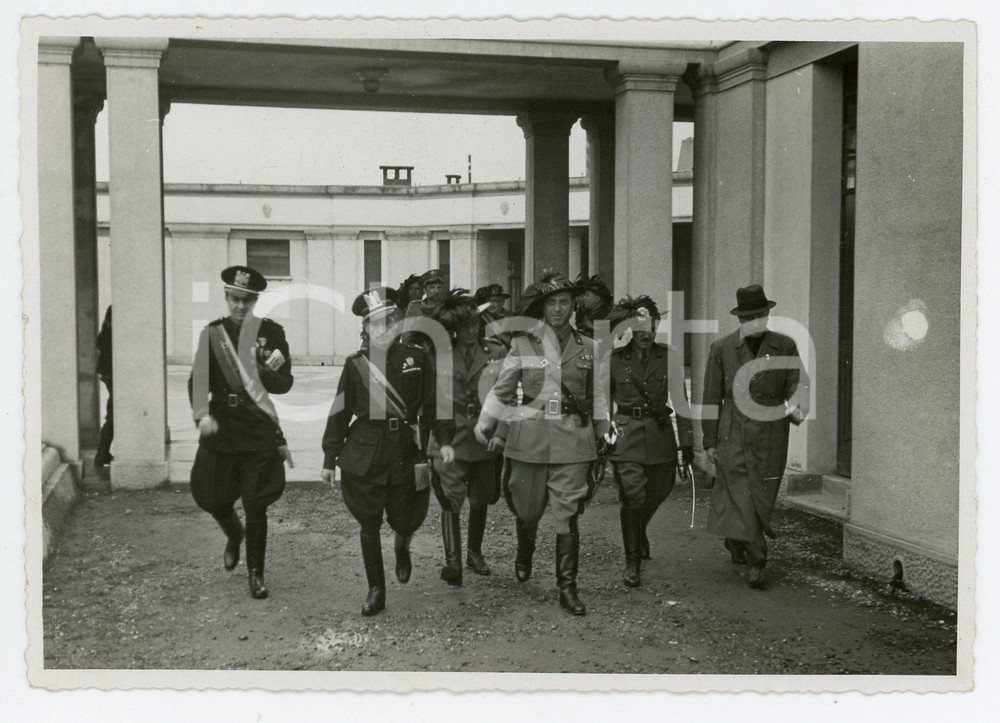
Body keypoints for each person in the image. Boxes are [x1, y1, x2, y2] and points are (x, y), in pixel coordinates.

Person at [475, 269, 610, 616]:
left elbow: (598, 398)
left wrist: (604, 432)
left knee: (568, 514)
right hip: (530, 437)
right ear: (542, 308)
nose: (558, 310)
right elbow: (503, 390)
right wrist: (486, 420)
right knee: (528, 509)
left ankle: (567, 586)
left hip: (573, 439)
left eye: (565, 302)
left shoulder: (591, 348)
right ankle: (525, 549)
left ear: (573, 306)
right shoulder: (522, 345)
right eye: (552, 304)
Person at [321, 286, 456, 616]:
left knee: (405, 518)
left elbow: (434, 404)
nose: (384, 328)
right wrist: (329, 458)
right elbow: (339, 413)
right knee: (369, 522)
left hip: (405, 450)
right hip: (366, 451)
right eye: (376, 323)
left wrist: (446, 439)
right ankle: (376, 589)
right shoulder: (356, 366)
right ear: (365, 327)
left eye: (389, 320)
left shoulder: (417, 359)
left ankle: (402, 542)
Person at [188, 265, 295, 600]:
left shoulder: (272, 334)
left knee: (256, 504)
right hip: (221, 427)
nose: (239, 306)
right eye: (234, 299)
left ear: (254, 300)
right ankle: (234, 534)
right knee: (212, 496)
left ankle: (256, 573)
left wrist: (264, 372)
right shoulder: (212, 334)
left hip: (256, 429)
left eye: (246, 300)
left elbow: (284, 384)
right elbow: (196, 383)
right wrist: (201, 416)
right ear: (226, 297)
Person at [701, 284, 808, 590]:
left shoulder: (784, 346)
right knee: (741, 490)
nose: (754, 321)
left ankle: (738, 538)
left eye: (760, 315)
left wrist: (793, 406)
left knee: (761, 491)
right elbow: (711, 397)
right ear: (739, 319)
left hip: (771, 430)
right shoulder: (722, 348)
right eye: (748, 317)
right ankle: (757, 560)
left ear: (767, 314)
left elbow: (795, 382)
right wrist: (709, 440)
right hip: (732, 428)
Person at [606, 296, 693, 587]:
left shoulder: (669, 357)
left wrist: (687, 444)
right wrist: (602, 437)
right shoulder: (616, 360)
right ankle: (632, 561)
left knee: (661, 488)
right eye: (640, 329)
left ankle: (638, 529)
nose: (646, 335)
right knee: (632, 494)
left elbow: (680, 401)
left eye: (651, 328)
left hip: (659, 435)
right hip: (627, 434)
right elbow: (602, 404)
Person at [428, 290, 508, 585]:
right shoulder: (440, 353)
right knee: (451, 500)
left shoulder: (496, 352)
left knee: (480, 498)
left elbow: (507, 395)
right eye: (466, 326)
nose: (472, 331)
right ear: (455, 328)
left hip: (483, 436)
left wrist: (499, 431)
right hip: (450, 436)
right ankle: (454, 562)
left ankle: (474, 552)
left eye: (476, 324)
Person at [403, 269, 448, 351]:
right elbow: (407, 336)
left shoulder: (447, 306)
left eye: (439, 287)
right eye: (432, 287)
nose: (436, 291)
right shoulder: (415, 307)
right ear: (425, 290)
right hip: (421, 352)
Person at [94, 305, 114, 467]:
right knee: (114, 413)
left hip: (108, 371)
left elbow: (100, 342)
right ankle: (102, 454)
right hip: (112, 371)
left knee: (113, 411)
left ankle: (103, 453)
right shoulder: (117, 310)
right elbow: (102, 342)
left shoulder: (112, 311)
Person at [475, 283, 513, 348]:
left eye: (495, 301)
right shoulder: (480, 317)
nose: (491, 305)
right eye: (489, 301)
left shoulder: (511, 317)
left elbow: (510, 343)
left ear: (503, 301)